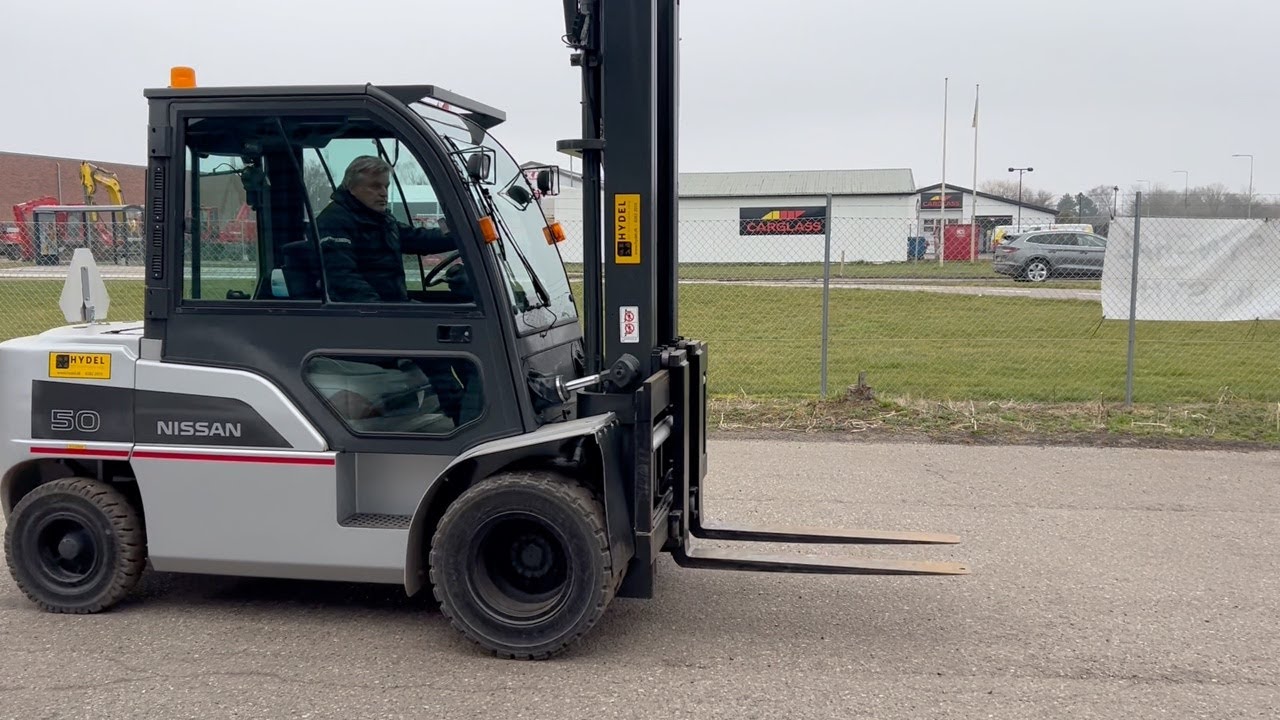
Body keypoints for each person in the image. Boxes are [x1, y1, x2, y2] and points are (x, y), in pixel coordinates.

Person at [314, 155, 462, 303]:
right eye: (375, 186)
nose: (384, 193)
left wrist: (461, 237)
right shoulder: (334, 222)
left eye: (386, 186)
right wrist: (382, 310)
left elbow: (419, 239)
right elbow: (342, 278)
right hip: (366, 312)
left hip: (390, 305)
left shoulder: (380, 220)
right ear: (352, 188)